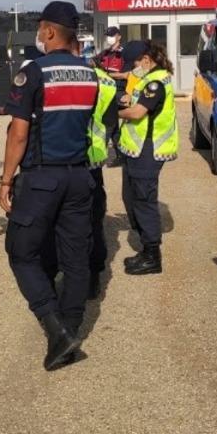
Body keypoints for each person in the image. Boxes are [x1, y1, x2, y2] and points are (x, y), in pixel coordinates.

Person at [0, 1, 98, 371]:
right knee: (75, 258)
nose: (39, 35)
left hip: (42, 177)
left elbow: (18, 136)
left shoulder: (33, 73)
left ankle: (55, 328)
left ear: (51, 32)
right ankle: (70, 330)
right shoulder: (89, 74)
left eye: (41, 29)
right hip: (79, 176)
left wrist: (6, 179)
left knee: (21, 251)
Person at [116, 39, 179, 276]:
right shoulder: (147, 79)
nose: (132, 68)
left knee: (144, 200)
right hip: (139, 149)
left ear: (146, 59)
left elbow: (137, 112)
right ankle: (146, 249)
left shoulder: (155, 83)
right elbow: (134, 102)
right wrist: (124, 99)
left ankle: (152, 256)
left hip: (148, 150)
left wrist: (113, 114)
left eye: (134, 62)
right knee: (133, 197)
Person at [86, 63, 119, 298]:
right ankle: (92, 277)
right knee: (93, 220)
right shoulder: (106, 82)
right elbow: (110, 123)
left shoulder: (46, 73)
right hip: (93, 160)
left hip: (58, 162)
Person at [95, 27, 127, 164]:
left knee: (109, 123)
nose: (109, 38)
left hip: (118, 91)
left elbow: (127, 74)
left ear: (118, 37)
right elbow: (93, 62)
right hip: (105, 92)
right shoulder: (105, 53)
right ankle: (121, 156)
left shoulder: (124, 54)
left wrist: (108, 74)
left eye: (111, 35)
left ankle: (100, 154)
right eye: (107, 36)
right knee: (113, 127)